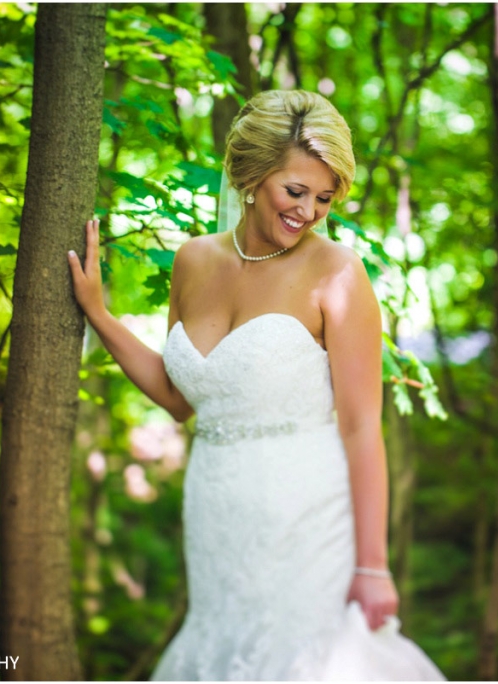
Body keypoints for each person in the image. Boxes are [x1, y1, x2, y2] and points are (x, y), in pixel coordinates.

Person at [68, 89, 444, 680]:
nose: (309, 212)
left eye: (323, 198)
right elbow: (177, 399)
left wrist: (373, 566)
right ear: (250, 176)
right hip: (216, 513)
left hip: (309, 518)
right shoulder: (193, 261)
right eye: (295, 191)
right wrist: (100, 315)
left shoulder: (338, 273)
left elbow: (361, 427)